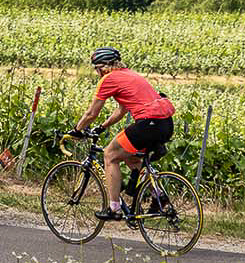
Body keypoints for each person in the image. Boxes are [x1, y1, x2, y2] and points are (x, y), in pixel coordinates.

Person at [71, 47, 175, 222]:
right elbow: (122, 110)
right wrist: (102, 127)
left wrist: (77, 129)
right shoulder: (129, 75)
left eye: (97, 69)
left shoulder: (109, 79)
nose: (97, 73)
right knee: (132, 159)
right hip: (165, 123)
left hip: (148, 122)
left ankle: (114, 209)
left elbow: (91, 113)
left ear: (102, 67)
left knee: (110, 155)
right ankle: (160, 197)